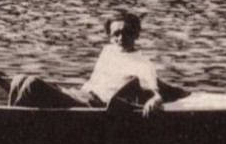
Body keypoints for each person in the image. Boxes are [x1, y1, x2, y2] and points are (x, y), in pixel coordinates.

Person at [9, 12, 183, 115]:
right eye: (116, 34)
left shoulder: (143, 64)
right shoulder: (108, 51)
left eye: (127, 33)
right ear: (110, 36)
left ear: (137, 34)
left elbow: (156, 93)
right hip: (80, 94)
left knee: (31, 85)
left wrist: (155, 101)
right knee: (19, 79)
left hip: (94, 105)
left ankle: (10, 126)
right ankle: (11, 118)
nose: (121, 38)